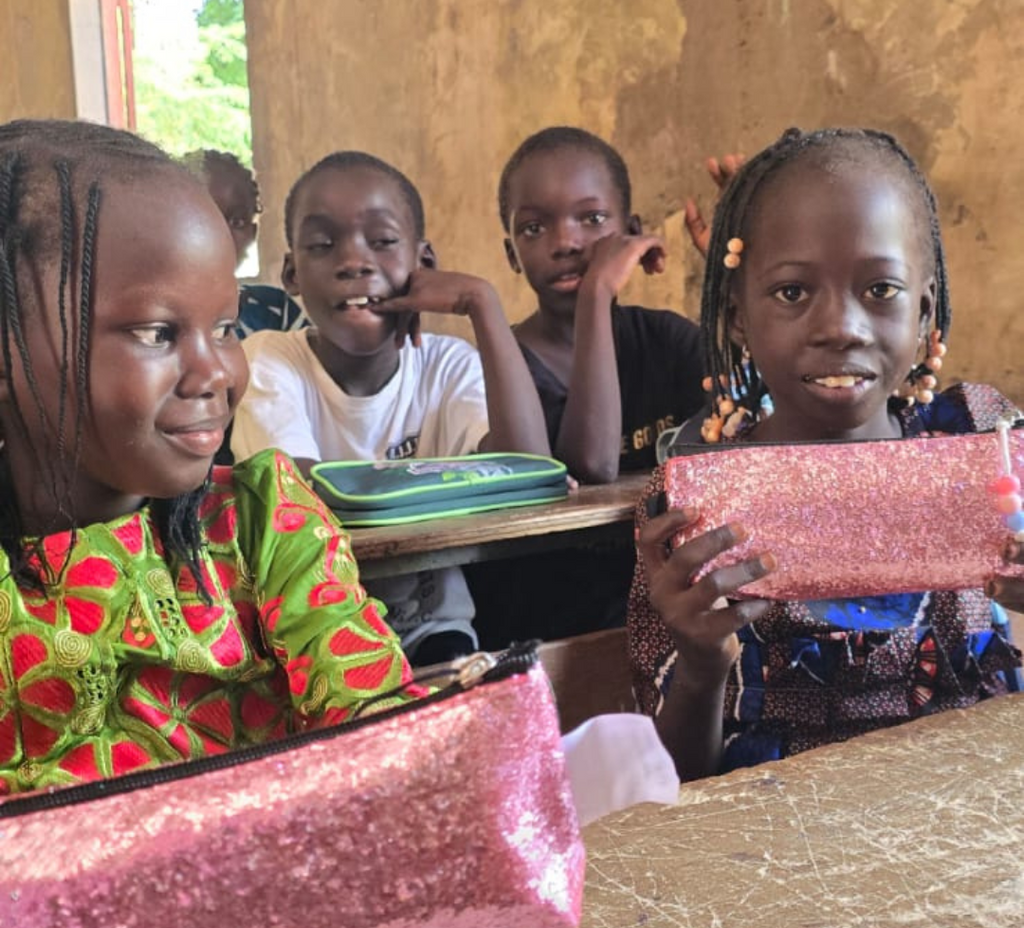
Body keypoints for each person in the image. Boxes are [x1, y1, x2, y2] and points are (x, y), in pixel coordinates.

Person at [0, 120, 419, 796]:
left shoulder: (260, 525)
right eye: (156, 332)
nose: (215, 371)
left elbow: (386, 736)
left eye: (225, 328)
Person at [629, 126, 1023, 781]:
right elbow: (675, 791)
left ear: (926, 310)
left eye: (881, 290)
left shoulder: (981, 445)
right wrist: (701, 668)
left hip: (973, 824)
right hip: (781, 851)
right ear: (735, 317)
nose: (841, 326)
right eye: (792, 292)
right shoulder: (695, 507)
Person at [230, 150, 550, 665]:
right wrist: (458, 481)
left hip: (435, 632)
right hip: (311, 638)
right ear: (292, 273)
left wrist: (481, 303)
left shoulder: (446, 365)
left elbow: (528, 471)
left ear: (423, 264)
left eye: (381, 242)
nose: (353, 261)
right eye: (322, 244)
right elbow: (302, 495)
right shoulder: (270, 360)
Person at [498, 126, 706, 483]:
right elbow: (591, 467)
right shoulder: (503, 370)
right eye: (534, 228)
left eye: (592, 219)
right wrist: (596, 291)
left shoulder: (666, 340)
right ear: (512, 255)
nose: (565, 243)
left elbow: (754, 414)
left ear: (632, 231)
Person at [183, 148, 307, 338]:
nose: (222, 234)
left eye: (237, 221)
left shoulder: (275, 311)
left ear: (253, 233)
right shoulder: (152, 316)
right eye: (203, 217)